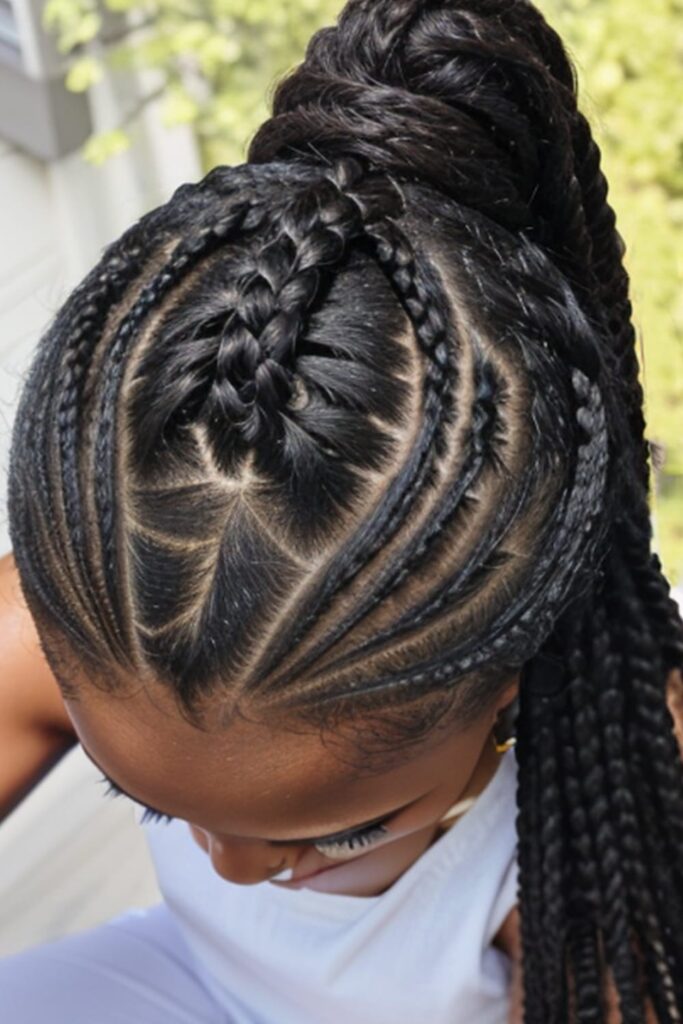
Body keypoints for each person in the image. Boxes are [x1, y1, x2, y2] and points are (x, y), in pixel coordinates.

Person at [1, 0, 682, 1020]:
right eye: (143, 799)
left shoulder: (614, 796)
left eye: (346, 831)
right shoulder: (93, 622)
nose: (226, 870)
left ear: (508, 683)